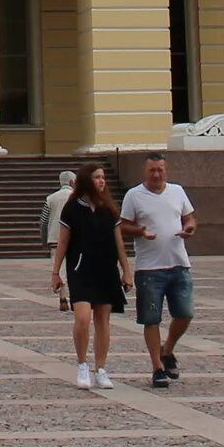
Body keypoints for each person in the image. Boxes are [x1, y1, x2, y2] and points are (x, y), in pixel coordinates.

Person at [50, 161, 132, 390]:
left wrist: (126, 271)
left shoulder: (109, 209)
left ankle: (101, 368)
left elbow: (119, 244)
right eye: (97, 177)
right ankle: (82, 364)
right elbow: (63, 242)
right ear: (87, 180)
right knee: (83, 318)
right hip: (80, 270)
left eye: (103, 177)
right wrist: (56, 272)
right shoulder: (72, 208)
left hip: (105, 270)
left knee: (103, 320)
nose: (102, 181)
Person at [116, 153, 196, 386]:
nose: (156, 174)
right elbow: (122, 226)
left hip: (179, 263)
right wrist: (141, 232)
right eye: (152, 170)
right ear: (145, 171)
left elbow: (189, 218)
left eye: (160, 170)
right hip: (149, 268)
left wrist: (189, 227)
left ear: (166, 170)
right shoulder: (134, 195)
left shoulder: (177, 191)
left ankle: (167, 348)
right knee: (151, 318)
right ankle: (157, 367)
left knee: (185, 313)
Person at [39, 168, 77, 249]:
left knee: (56, 261)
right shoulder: (77, 198)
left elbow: (43, 222)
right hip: (73, 240)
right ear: (72, 182)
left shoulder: (50, 198)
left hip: (54, 240)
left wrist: (45, 240)